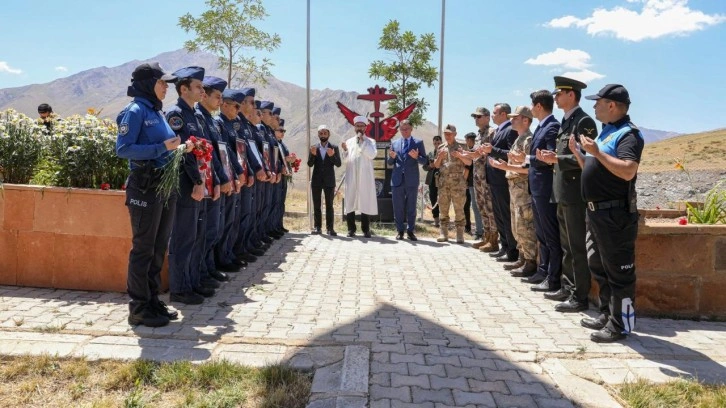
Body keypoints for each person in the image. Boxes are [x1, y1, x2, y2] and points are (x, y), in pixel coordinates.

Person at [570, 84, 643, 343]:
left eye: (597, 102)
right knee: (599, 268)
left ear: (611, 105)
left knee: (619, 274)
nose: (594, 106)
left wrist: (597, 152)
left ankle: (621, 325)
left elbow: (627, 171)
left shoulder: (628, 135)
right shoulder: (607, 132)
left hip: (615, 216)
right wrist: (581, 155)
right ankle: (606, 315)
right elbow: (597, 167)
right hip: (596, 213)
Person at [115, 62, 180, 327]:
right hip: (145, 186)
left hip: (164, 186)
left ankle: (153, 301)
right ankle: (139, 307)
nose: (166, 87)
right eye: (162, 82)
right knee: (143, 248)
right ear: (147, 84)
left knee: (158, 248)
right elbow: (124, 149)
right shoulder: (135, 110)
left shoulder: (157, 111)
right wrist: (161, 147)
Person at [538, 76, 598, 313]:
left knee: (576, 246)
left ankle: (579, 296)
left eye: (559, 93)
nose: (555, 98)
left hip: (574, 193)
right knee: (566, 245)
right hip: (562, 192)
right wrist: (552, 157)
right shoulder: (566, 122)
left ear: (571, 94)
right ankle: (568, 286)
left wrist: (557, 158)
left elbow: (587, 157)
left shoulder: (584, 122)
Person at [166, 66, 213, 306]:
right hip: (185, 184)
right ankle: (179, 289)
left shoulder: (193, 114)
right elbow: (183, 153)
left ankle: (191, 282)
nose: (202, 90)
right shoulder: (177, 114)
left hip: (197, 181)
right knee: (183, 237)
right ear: (184, 89)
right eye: (198, 86)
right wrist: (196, 181)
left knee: (194, 235)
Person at [488, 107, 538, 278]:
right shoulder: (519, 140)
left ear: (526, 120)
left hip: (523, 190)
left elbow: (528, 168)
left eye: (515, 118)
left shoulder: (528, 140)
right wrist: (505, 166)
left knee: (525, 226)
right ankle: (523, 257)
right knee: (517, 226)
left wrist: (505, 166)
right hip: (514, 188)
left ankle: (530, 262)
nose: (511, 121)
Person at [524, 90, 562, 293]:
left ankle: (553, 277)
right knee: (541, 233)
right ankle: (543, 270)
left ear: (539, 106)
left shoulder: (552, 126)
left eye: (532, 105)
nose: (531, 109)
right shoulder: (542, 126)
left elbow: (550, 157)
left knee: (550, 234)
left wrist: (528, 159)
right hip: (537, 187)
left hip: (546, 187)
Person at [479, 104, 519, 262]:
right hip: (494, 180)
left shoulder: (510, 130)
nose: (492, 115)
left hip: (502, 179)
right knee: (499, 216)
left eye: (495, 113)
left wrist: (492, 150)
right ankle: (505, 246)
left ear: (504, 114)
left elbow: (511, 154)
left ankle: (512, 250)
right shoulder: (499, 131)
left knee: (506, 215)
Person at [388, 120, 427, 240]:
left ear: (411, 129)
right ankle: (400, 231)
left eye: (407, 129)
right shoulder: (394, 143)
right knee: (398, 207)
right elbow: (389, 162)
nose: (404, 131)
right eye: (402, 129)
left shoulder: (418, 143)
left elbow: (425, 161)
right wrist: (391, 158)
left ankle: (410, 231)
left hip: (411, 180)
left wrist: (417, 157)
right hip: (397, 180)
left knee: (411, 206)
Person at [433, 124, 472, 243]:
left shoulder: (462, 146)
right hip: (444, 183)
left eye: (450, 134)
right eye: (446, 134)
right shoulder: (441, 147)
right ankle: (443, 233)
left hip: (458, 184)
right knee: (443, 209)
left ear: (455, 134)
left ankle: (459, 234)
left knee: (459, 209)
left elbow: (469, 162)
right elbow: (436, 165)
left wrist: (460, 155)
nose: (447, 136)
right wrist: (439, 157)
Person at [341, 115, 378, 238]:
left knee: (364, 200)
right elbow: (346, 160)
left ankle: (366, 229)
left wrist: (362, 143)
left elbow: (372, 155)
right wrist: (345, 151)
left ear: (366, 128)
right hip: (352, 175)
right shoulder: (349, 142)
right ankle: (351, 229)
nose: (359, 128)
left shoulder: (371, 142)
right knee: (350, 200)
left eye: (362, 126)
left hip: (364, 176)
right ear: (354, 127)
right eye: (357, 126)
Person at [308, 124, 342, 235]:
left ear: (329, 134)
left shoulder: (334, 147)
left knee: (329, 206)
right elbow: (310, 164)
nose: (323, 135)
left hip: (329, 181)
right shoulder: (314, 147)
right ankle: (318, 227)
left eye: (325, 133)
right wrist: (312, 155)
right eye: (321, 133)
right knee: (317, 205)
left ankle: (330, 229)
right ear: (318, 134)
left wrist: (332, 156)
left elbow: (338, 164)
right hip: (316, 181)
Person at [462, 132, 481, 237]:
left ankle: (479, 231)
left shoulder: (473, 152)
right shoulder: (471, 151)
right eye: (467, 140)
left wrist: (463, 180)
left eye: (469, 140)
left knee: (476, 206)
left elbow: (467, 168)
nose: (467, 142)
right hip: (472, 182)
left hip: (474, 182)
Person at [423, 135, 442, 226]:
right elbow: (424, 167)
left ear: (441, 143)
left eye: (438, 143)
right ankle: (436, 220)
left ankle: (444, 220)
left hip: (443, 180)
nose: (437, 145)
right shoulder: (430, 154)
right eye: (435, 143)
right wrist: (430, 166)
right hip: (432, 180)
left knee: (443, 200)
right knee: (433, 199)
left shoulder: (445, 153)